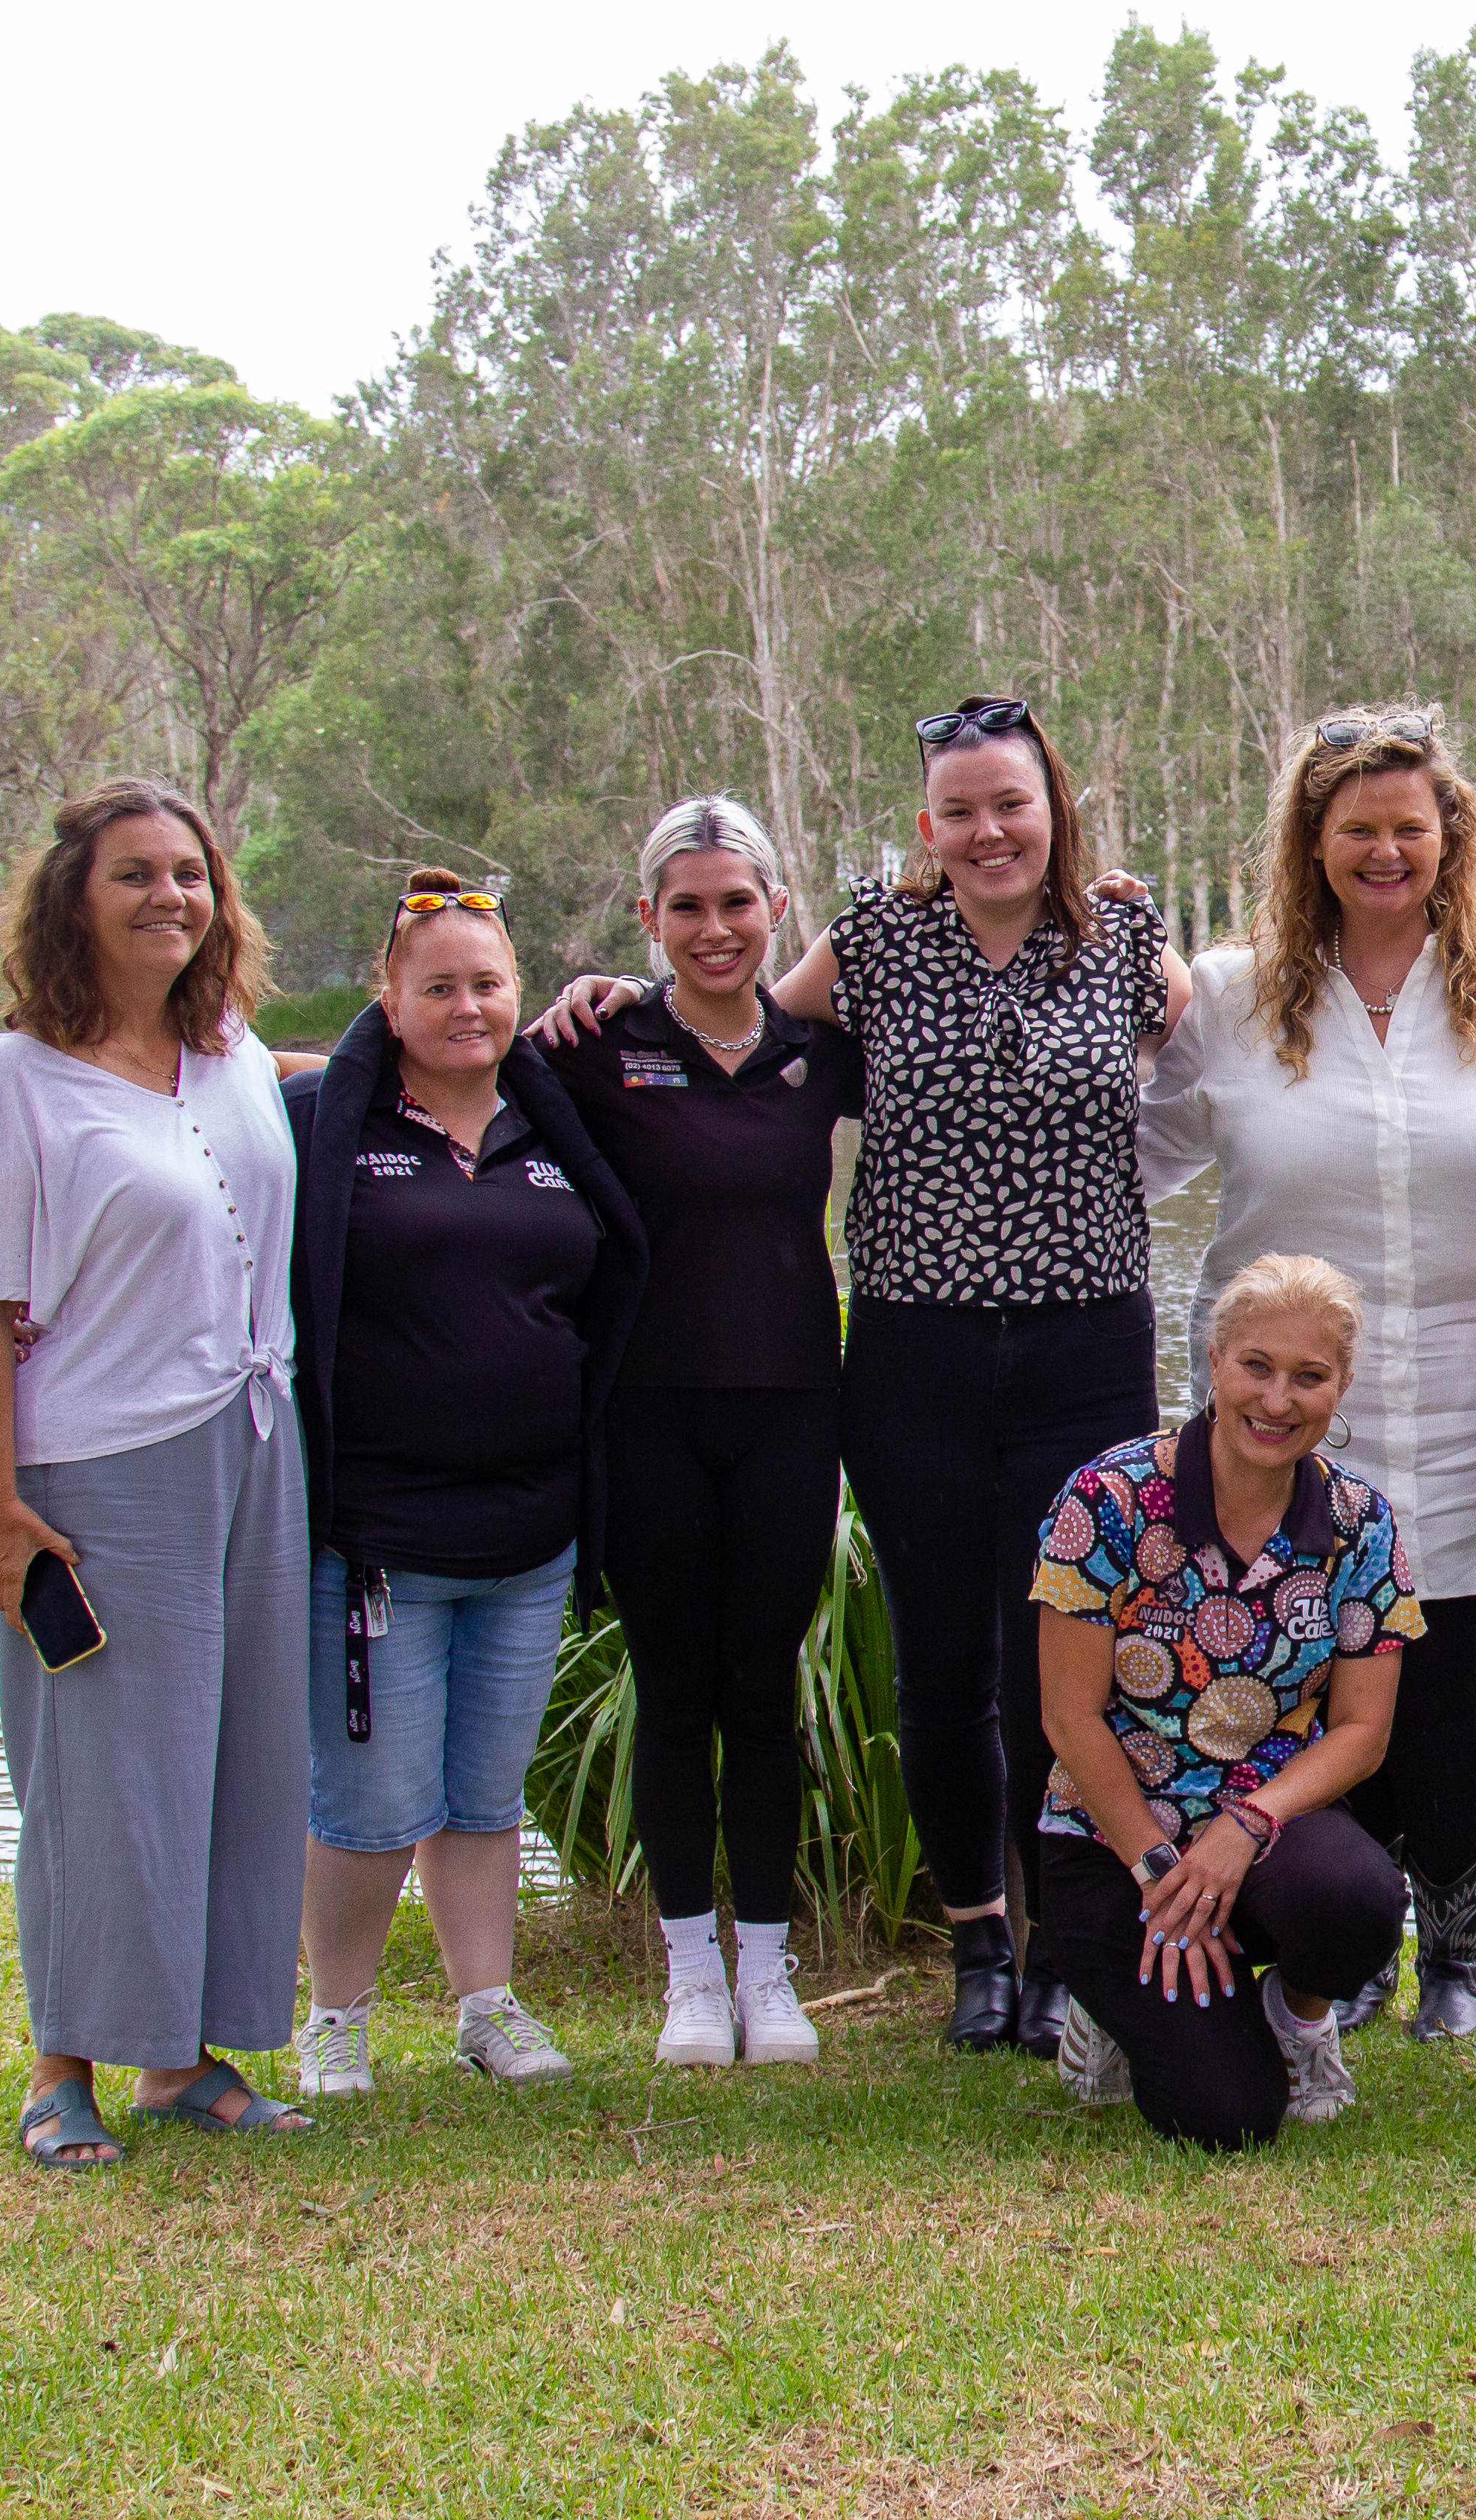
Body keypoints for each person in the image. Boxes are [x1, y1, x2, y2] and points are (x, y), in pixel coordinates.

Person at [539, 696, 1184, 2057]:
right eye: (958, 810)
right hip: (913, 1354)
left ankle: (1069, 1941)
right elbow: (727, 1044)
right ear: (925, 830)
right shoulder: (877, 946)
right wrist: (606, 1003)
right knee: (945, 1671)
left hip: (1086, 1350)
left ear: (1052, 806)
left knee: (1058, 1668)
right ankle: (979, 1947)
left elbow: (1237, 1051)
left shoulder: (1130, 941)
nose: (987, 830)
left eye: (1010, 802)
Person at [1132, 707, 1476, 2041]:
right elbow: (1125, 1154)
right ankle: (1342, 1943)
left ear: (1447, 835)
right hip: (1282, 1410)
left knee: (1442, 1665)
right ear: (1311, 841)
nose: (1383, 849)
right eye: (1354, 826)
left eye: (1407, 825)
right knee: (1310, 1673)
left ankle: (1459, 1956)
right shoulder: (1235, 995)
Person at [0, 778, 317, 2164]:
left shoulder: (226, 1050)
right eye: (133, 875)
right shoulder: (17, 1078)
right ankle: (61, 2065)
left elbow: (282, 1117)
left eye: (189, 872)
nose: (169, 894)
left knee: (234, 1759)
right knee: (108, 1769)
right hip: (100, 1464)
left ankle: (185, 2059)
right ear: (72, 901)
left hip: (257, 1445)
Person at [284, 871, 646, 2097]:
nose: (466, 1007)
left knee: (483, 1794)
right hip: (379, 1539)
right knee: (371, 1801)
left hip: (531, 1534)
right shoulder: (327, 1131)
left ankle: (484, 2007)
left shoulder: (557, 1135)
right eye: (435, 985)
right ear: (387, 1000)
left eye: (487, 983)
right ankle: (333, 2017)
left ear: (516, 994)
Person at [544, 798, 863, 2067]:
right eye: (687, 907)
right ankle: (688, 1972)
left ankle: (768, 1972)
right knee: (674, 1693)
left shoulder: (819, 1051)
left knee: (761, 1688)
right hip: (648, 1415)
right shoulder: (598, 1043)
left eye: (737, 902)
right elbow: (441, 1062)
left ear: (774, 906)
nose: (715, 927)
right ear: (648, 919)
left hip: (792, 1408)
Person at [1031, 1253, 1419, 2151]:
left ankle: (1298, 2016)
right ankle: (1109, 2013)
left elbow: (1362, 1732)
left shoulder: (1361, 1523)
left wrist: (1246, 1827)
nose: (1278, 1401)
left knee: (1358, 1900)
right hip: (1115, 1842)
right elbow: (1068, 1717)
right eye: (1257, 1367)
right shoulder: (1111, 1498)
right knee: (1227, 2119)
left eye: (1308, 1377)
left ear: (1342, 1385)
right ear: (1213, 1361)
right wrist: (1163, 1873)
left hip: (1263, 1827)